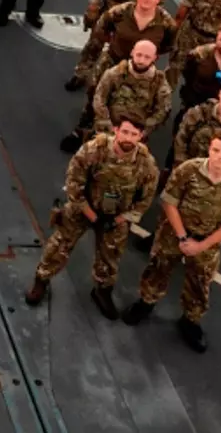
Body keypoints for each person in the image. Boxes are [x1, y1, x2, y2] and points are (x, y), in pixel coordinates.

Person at [122, 130, 221, 353]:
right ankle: (146, 303)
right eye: (216, 150)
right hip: (174, 234)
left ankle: (190, 321)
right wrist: (182, 236)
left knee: (199, 284)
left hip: (207, 242)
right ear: (210, 149)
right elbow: (169, 202)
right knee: (158, 269)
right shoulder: (189, 170)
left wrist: (201, 245)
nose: (219, 156)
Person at [24, 113, 157, 320]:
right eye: (125, 132)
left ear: (141, 136)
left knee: (110, 257)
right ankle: (41, 280)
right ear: (116, 130)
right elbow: (74, 185)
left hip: (116, 216)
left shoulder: (146, 164)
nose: (128, 138)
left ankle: (102, 291)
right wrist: (92, 216)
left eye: (134, 134)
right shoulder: (94, 150)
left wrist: (117, 220)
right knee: (59, 245)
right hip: (84, 208)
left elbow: (144, 201)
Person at [72, 39, 171, 151]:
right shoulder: (115, 73)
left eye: (147, 57)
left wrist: (143, 131)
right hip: (110, 123)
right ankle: (86, 134)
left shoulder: (160, 83)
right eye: (139, 55)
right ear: (132, 53)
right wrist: (106, 123)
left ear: (155, 58)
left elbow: (162, 111)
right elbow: (99, 98)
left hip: (136, 130)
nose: (141, 60)